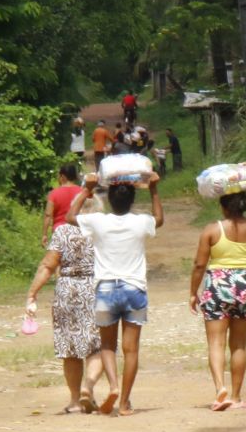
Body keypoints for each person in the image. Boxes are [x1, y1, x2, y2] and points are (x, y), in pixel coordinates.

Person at [66, 172, 164, 416]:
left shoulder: (99, 221)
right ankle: (124, 403)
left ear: (109, 199)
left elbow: (70, 217)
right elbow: (159, 219)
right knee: (132, 349)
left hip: (106, 289)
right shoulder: (141, 222)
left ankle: (113, 386)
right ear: (132, 200)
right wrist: (153, 189)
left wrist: (87, 189)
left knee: (108, 345)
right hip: (134, 288)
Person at [188, 180, 246, 411]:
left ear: (223, 206)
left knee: (216, 343)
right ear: (245, 204)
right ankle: (236, 397)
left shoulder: (212, 230)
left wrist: (193, 292)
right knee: (238, 345)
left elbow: (199, 265)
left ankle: (220, 391)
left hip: (218, 284)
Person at [27, 195, 115, 414]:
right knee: (100, 344)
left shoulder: (63, 231)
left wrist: (32, 294)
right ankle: (89, 386)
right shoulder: (103, 231)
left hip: (67, 290)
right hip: (96, 288)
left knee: (70, 348)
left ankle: (75, 400)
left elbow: (48, 265)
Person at [42, 163, 82, 248]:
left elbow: (48, 215)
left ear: (63, 177)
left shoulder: (54, 194)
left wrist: (44, 234)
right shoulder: (82, 192)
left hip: (59, 233)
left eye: (59, 176)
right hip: (78, 232)